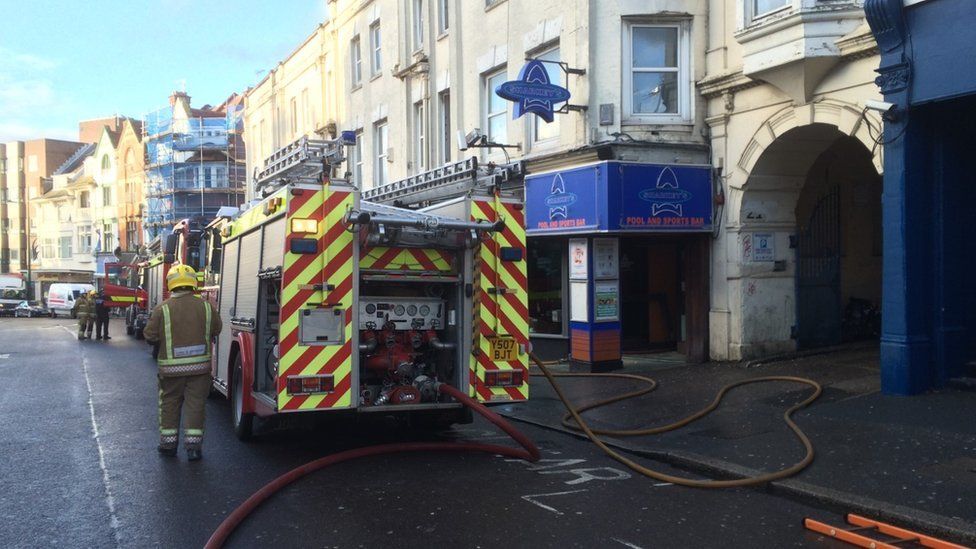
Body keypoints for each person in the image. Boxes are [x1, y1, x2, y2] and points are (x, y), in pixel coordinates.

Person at [144, 264, 221, 461]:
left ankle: (168, 445)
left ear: (171, 284)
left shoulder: (162, 309)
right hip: (200, 370)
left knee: (169, 404)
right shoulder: (206, 307)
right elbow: (217, 329)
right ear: (192, 283)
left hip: (170, 371)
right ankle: (193, 448)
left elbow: (150, 335)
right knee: (196, 406)